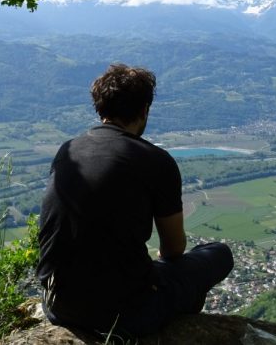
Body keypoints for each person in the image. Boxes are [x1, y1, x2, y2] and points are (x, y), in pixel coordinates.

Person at [36, 64, 233, 337]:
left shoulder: (68, 149)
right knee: (219, 254)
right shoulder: (155, 160)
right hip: (125, 314)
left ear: (100, 107)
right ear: (144, 110)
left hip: (57, 303)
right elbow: (174, 248)